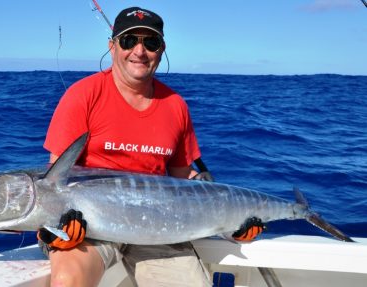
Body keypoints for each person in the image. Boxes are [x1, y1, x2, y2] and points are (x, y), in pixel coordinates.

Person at [39, 7, 264, 287]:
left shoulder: (176, 105)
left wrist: (234, 220)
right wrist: (59, 223)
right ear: (112, 46)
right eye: (129, 40)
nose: (140, 51)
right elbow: (55, 180)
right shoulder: (82, 95)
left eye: (151, 42)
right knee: (67, 282)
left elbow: (182, 179)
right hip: (90, 228)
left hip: (158, 228)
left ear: (162, 49)